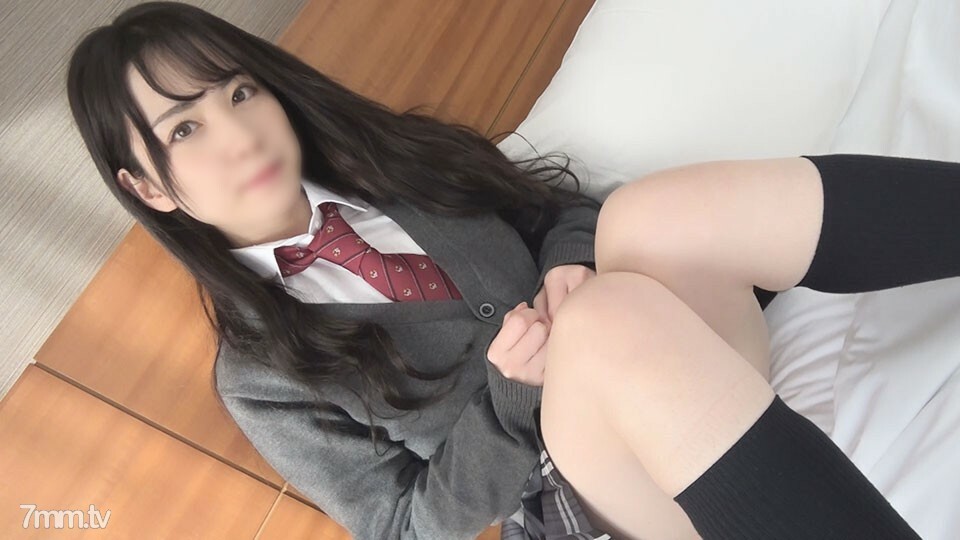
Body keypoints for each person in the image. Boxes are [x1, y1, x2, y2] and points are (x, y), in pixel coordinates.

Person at [66, 2, 954, 539]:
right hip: (578, 491)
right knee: (606, 322)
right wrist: (512, 394)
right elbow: (403, 527)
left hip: (654, 361)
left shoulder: (396, 163)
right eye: (186, 128)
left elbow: (564, 213)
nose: (239, 133)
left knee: (642, 217)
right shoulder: (262, 375)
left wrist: (568, 268)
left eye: (239, 92)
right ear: (149, 187)